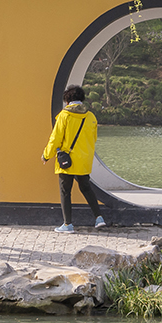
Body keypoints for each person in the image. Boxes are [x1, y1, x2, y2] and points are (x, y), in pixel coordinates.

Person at [44, 84, 108, 234]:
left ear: (67, 100)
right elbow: (93, 138)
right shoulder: (91, 116)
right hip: (84, 160)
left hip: (67, 161)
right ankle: (99, 218)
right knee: (86, 188)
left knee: (65, 191)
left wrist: (46, 155)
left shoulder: (64, 116)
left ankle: (68, 224)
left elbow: (55, 139)